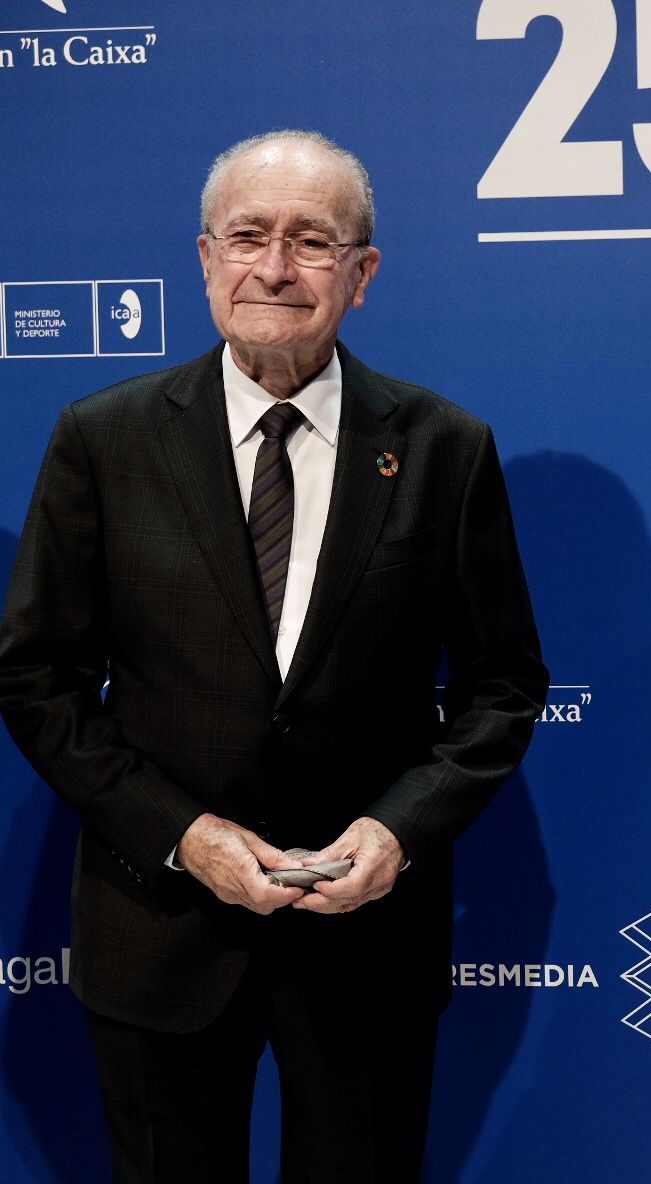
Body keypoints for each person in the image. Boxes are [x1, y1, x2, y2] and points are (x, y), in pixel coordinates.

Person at [0, 130, 548, 1182]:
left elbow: (502, 685)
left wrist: (399, 829)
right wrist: (182, 833)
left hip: (366, 943)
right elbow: (38, 679)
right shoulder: (103, 439)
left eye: (311, 241)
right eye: (249, 236)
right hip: (160, 927)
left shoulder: (442, 447)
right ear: (207, 258)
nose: (275, 268)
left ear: (361, 273)